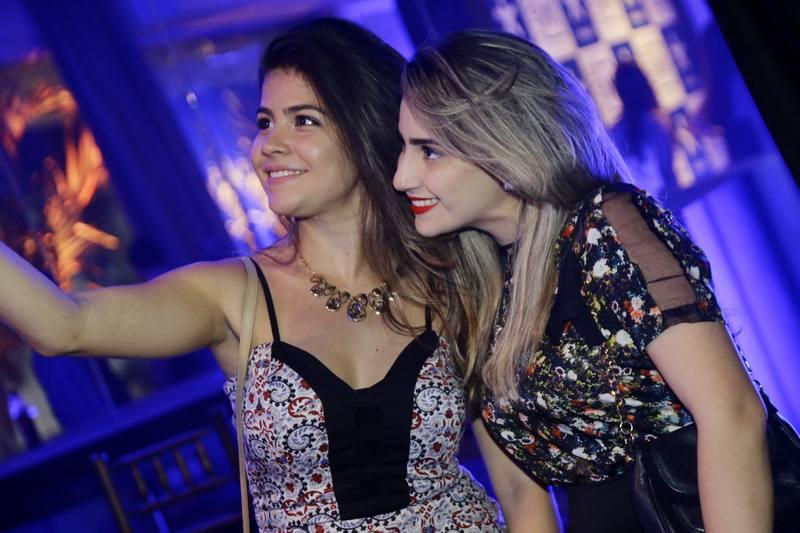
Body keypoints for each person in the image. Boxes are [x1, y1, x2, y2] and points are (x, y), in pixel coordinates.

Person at [0, 19, 501, 532]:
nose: (268, 145)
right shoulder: (232, 294)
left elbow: (522, 492)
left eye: (303, 120)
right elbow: (67, 326)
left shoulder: (446, 276)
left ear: (366, 128)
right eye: (265, 122)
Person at [394, 30, 771, 532]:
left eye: (429, 151)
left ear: (503, 146)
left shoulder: (605, 228)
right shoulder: (481, 285)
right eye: (404, 148)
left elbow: (732, 413)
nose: (401, 177)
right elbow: (521, 496)